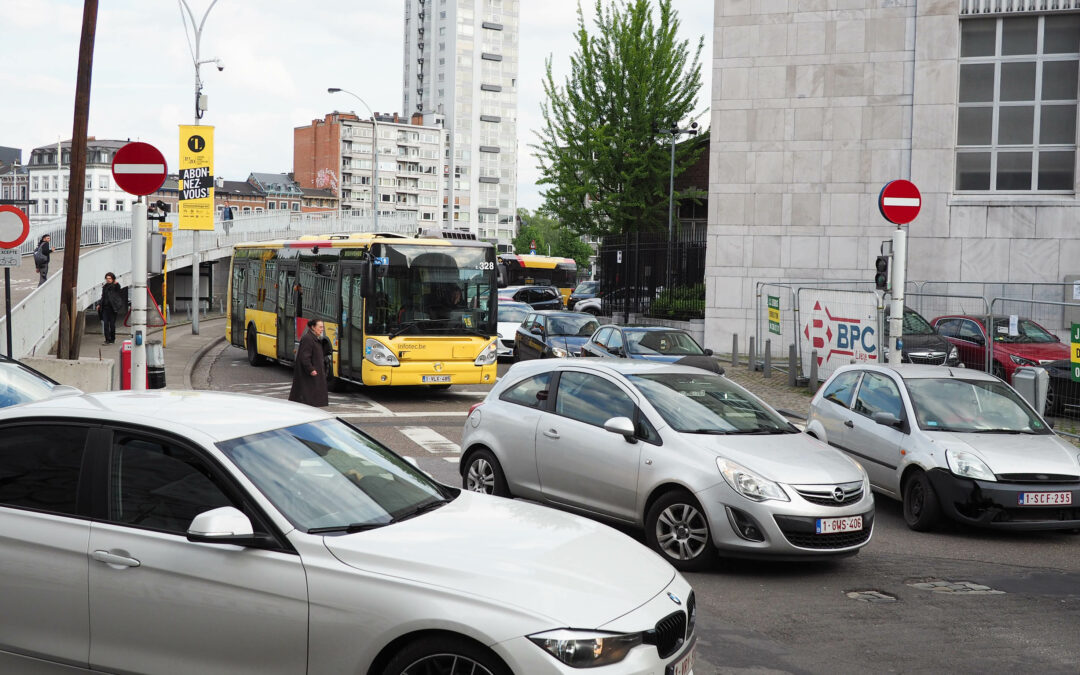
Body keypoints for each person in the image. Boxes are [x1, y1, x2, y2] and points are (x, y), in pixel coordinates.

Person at [288, 318, 328, 407]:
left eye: (323, 327)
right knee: (308, 398)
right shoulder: (308, 339)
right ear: (313, 327)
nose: (322, 329)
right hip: (309, 375)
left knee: (312, 398)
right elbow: (304, 357)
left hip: (314, 374)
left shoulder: (315, 338)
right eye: (320, 327)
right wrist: (311, 369)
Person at [96, 272, 126, 345]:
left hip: (113, 308)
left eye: (110, 278)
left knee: (112, 324)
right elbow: (103, 297)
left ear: (113, 279)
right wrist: (99, 304)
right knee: (106, 324)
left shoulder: (115, 286)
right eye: (107, 278)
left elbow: (118, 290)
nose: (108, 280)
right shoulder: (105, 287)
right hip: (105, 308)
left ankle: (112, 339)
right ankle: (107, 339)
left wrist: (116, 284)